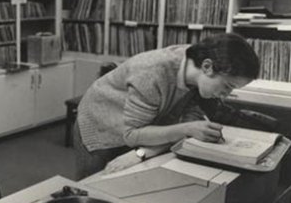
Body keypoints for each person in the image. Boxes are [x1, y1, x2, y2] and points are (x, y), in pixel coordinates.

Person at [74, 33, 260, 178]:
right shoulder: (151, 72)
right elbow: (132, 135)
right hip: (100, 123)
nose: (225, 96)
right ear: (207, 67)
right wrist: (186, 129)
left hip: (140, 125)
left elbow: (186, 122)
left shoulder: (197, 70)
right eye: (227, 86)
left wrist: (143, 152)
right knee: (93, 187)